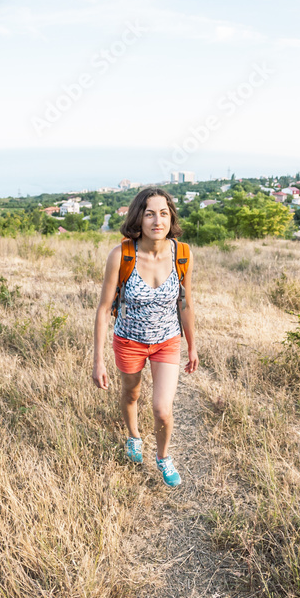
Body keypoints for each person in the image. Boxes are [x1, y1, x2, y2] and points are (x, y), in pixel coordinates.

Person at [92, 187, 197, 487]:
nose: (157, 220)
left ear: (171, 217)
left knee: (162, 409)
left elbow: (185, 303)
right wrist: (98, 361)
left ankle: (163, 457)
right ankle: (133, 436)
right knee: (131, 394)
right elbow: (102, 311)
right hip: (129, 341)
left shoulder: (183, 254)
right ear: (139, 217)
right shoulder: (122, 255)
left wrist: (192, 346)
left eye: (163, 213)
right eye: (150, 213)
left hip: (167, 341)